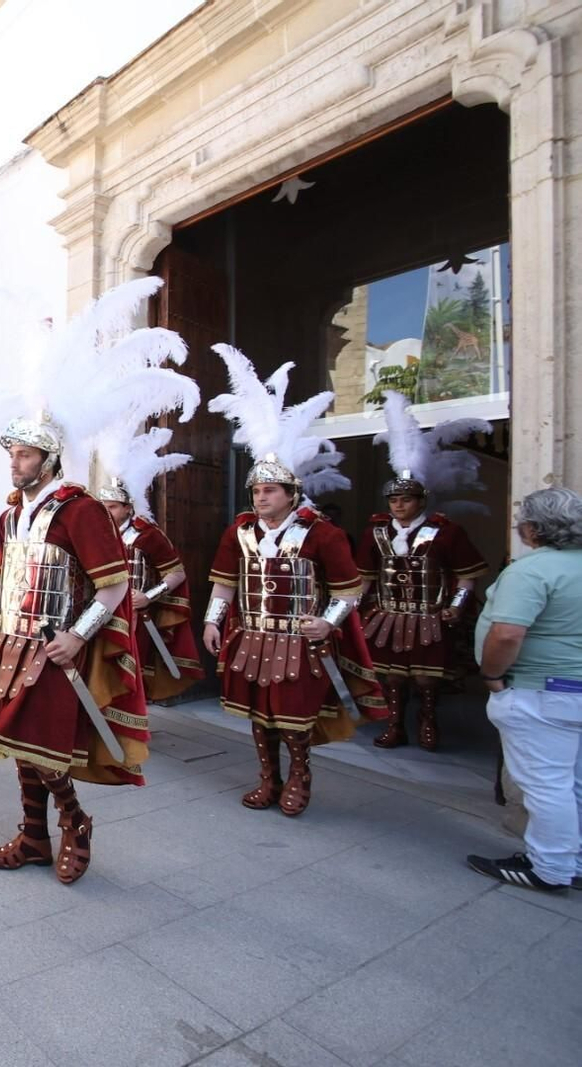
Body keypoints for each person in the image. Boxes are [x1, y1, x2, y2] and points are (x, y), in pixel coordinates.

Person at [0, 276, 196, 884]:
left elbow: (115, 586)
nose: (12, 461)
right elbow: (0, 578)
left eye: (21, 454)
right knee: (17, 748)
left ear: (48, 457)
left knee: (45, 749)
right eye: (10, 452)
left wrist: (79, 635)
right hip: (9, 643)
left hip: (52, 646)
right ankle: (34, 838)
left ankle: (74, 823)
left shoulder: (81, 508)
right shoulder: (11, 512)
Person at [202, 344, 383, 817]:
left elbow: (349, 588)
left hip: (300, 640)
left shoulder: (321, 533)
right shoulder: (238, 531)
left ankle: (299, 778)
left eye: (270, 490)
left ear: (291, 494)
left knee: (295, 719)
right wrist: (212, 620)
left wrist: (329, 623)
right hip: (252, 635)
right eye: (256, 490)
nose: (261, 497)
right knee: (258, 716)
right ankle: (268, 778)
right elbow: (224, 582)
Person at [358, 392, 491, 750]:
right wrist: (354, 608)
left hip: (429, 615)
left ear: (421, 501)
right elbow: (365, 576)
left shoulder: (446, 531)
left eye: (406, 500)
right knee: (390, 677)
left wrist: (458, 605)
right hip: (386, 615)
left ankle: (429, 722)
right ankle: (395, 726)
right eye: (393, 500)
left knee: (426, 678)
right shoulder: (377, 532)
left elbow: (467, 572)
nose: (399, 506)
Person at [467, 487, 582, 893]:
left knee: (546, 784)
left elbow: (508, 633)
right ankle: (574, 860)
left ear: (533, 528)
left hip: (541, 692)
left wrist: (492, 677)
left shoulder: (532, 570)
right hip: (571, 691)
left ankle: (549, 868)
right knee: (573, 782)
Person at [93, 426, 203, 702]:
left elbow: (175, 573)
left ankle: (134, 724)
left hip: (135, 617)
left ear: (128, 508)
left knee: (134, 673)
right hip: (98, 613)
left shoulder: (147, 535)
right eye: (103, 505)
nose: (107, 511)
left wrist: (148, 596)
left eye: (114, 506)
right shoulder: (93, 535)